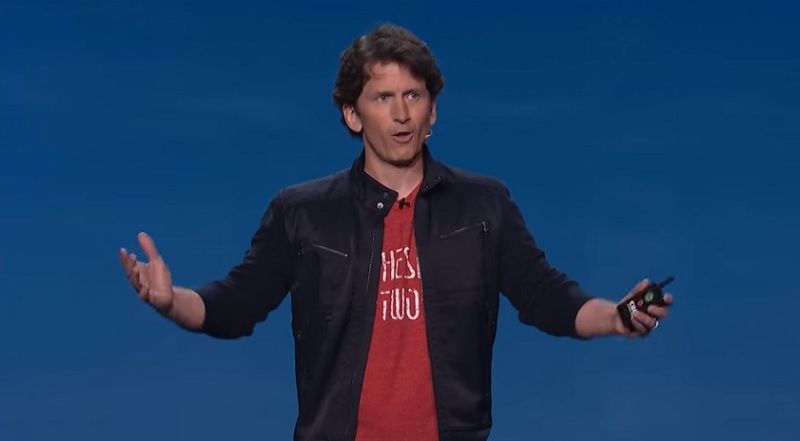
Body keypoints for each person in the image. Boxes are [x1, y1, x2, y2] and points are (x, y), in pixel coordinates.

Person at [119, 24, 673, 441]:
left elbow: (544, 294)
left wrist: (615, 316)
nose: (402, 113)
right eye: (383, 98)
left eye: (414, 95)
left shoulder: (484, 206)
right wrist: (171, 301)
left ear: (433, 112)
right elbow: (237, 304)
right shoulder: (302, 213)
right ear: (352, 115)